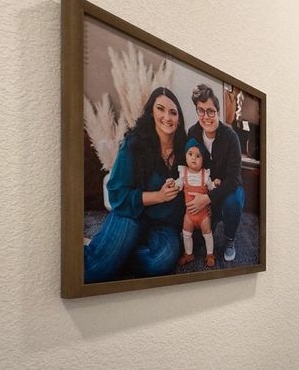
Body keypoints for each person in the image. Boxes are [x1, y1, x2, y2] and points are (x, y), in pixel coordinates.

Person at [84, 87, 186, 283]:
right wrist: (159, 196)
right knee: (95, 271)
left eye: (173, 112)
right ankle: (105, 254)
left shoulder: (186, 150)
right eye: (160, 109)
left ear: (179, 119)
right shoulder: (134, 144)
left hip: (163, 225)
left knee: (161, 261)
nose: (167, 116)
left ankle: (112, 253)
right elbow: (116, 196)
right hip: (131, 214)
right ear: (151, 112)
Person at [186, 84, 244, 263]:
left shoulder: (230, 136)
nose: (206, 117)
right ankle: (214, 217)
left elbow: (233, 179)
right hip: (204, 188)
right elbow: (188, 164)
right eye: (201, 111)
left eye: (210, 111)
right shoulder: (193, 133)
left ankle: (229, 239)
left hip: (229, 189)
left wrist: (208, 198)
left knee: (232, 202)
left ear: (218, 111)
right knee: (196, 244)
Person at [175, 138, 216, 268]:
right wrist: (173, 184)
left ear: (203, 160)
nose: (194, 158)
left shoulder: (205, 175)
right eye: (190, 154)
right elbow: (178, 185)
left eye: (198, 156)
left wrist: (215, 184)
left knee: (207, 233)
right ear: (185, 156)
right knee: (186, 233)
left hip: (204, 215)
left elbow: (211, 188)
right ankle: (189, 254)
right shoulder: (183, 173)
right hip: (189, 215)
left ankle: (210, 254)